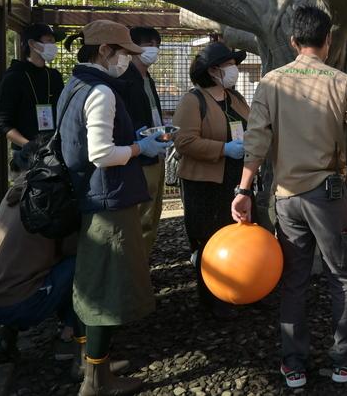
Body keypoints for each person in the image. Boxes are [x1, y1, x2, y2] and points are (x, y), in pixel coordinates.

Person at [231, 5, 347, 389]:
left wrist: (244, 189)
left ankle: (293, 364)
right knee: (343, 277)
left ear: (293, 42)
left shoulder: (271, 83)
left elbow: (257, 140)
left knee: (294, 278)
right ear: (328, 41)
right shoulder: (343, 83)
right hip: (328, 196)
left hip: (285, 197)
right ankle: (346, 359)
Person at [60, 20, 171, 395]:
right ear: (106, 51)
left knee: (88, 284)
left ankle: (90, 361)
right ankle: (96, 380)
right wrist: (141, 148)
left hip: (87, 197)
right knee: (105, 291)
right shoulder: (101, 92)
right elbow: (101, 153)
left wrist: (135, 137)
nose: (127, 60)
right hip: (107, 200)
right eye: (124, 53)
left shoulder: (74, 85)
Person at [0, 189, 116, 381]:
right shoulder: (55, 197)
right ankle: (73, 340)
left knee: (28, 269)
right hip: (12, 303)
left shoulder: (15, 192)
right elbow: (74, 248)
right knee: (82, 263)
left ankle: (7, 332)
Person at [172, 42, 250, 318]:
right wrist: (222, 149)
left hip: (236, 178)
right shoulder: (193, 100)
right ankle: (212, 298)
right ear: (214, 70)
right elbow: (183, 141)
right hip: (204, 183)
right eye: (230, 65)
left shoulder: (235, 97)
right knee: (209, 239)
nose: (235, 70)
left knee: (236, 235)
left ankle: (239, 290)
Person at [0, 23, 65, 179]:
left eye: (54, 42)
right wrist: (28, 145)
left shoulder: (54, 76)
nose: (53, 46)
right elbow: (2, 122)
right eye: (49, 40)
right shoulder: (14, 77)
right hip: (25, 155)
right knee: (24, 197)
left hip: (53, 151)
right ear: (33, 44)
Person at [118, 26, 166, 258]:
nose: (154, 49)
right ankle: (134, 269)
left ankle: (143, 265)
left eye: (157, 45)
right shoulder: (125, 80)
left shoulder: (148, 79)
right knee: (140, 218)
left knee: (153, 215)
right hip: (139, 158)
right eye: (149, 44)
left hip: (156, 153)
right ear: (133, 48)